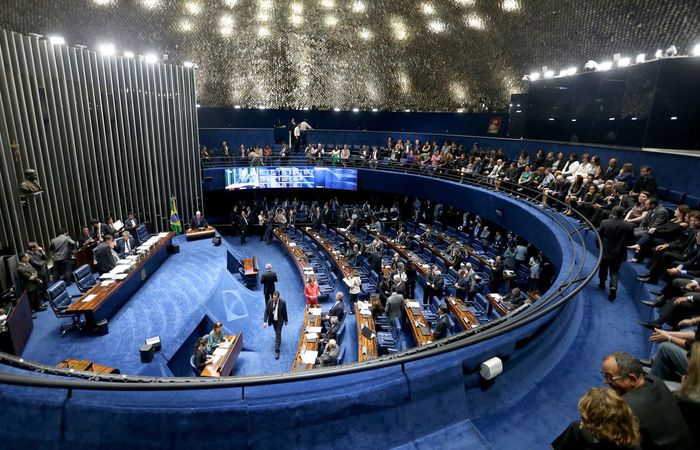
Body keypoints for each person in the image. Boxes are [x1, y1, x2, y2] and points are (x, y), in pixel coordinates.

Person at [601, 352, 694, 449]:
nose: (606, 382)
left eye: (610, 377)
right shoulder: (654, 380)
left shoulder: (625, 408)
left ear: (632, 379)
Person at [552, 387, 641, 450]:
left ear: (597, 424)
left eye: (585, 419)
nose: (583, 421)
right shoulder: (632, 439)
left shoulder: (579, 428)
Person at [598, 206, 635, 301]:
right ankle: (613, 287)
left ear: (612, 213)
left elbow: (598, 237)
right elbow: (631, 242)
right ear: (623, 214)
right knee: (615, 271)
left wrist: (600, 247)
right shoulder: (629, 226)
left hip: (605, 250)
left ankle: (602, 283)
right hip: (619, 252)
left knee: (603, 267)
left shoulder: (605, 222)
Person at [263, 291, 288, 359]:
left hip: (280, 321)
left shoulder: (283, 303)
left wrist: (286, 320)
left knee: (278, 334)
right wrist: (265, 321)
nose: (274, 299)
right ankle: (278, 339)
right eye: (273, 298)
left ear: (278, 297)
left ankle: (277, 351)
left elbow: (285, 312)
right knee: (276, 332)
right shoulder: (270, 302)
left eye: (275, 298)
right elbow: (266, 311)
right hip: (273, 321)